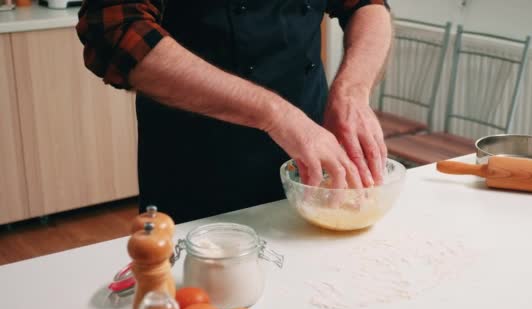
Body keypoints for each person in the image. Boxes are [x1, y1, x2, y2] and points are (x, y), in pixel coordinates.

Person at [76, 0, 392, 223]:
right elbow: (116, 31)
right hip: (200, 168)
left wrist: (352, 92)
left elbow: (368, 5)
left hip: (311, 160)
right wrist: (277, 114)